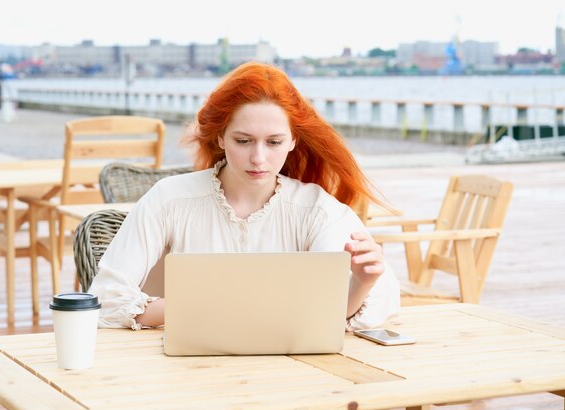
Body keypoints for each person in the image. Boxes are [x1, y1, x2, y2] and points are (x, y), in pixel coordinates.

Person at [89, 62, 400, 331]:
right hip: (181, 374)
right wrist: (208, 308)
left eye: (274, 142)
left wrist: (362, 283)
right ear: (221, 137)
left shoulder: (316, 210)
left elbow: (332, 311)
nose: (259, 159)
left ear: (293, 140)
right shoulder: (169, 200)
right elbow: (104, 299)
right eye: (243, 140)